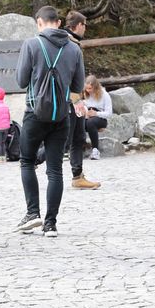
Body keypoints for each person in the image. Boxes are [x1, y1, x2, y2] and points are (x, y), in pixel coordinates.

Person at [13, 6, 85, 237]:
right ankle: (51, 223)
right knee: (55, 170)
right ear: (59, 22)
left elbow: (21, 80)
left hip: (34, 112)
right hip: (62, 115)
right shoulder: (74, 49)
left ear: (39, 22)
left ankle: (32, 213)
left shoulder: (32, 44)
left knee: (26, 161)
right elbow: (77, 86)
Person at [63, 12, 101, 189]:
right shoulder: (67, 44)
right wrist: (76, 99)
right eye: (84, 24)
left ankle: (77, 176)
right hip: (69, 100)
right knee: (64, 139)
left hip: (77, 100)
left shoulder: (73, 43)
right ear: (77, 25)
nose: (85, 28)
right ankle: (34, 159)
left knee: (78, 137)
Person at [81, 75, 112, 160]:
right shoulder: (86, 93)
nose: (88, 91)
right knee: (78, 122)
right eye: (87, 88)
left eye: (90, 88)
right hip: (88, 115)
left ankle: (95, 150)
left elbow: (109, 113)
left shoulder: (105, 95)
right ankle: (77, 148)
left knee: (90, 122)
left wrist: (96, 113)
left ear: (95, 87)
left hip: (100, 118)